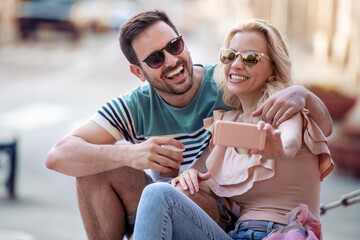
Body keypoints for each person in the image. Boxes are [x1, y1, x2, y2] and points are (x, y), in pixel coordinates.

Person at [45, 10, 333, 240]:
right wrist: (132, 155)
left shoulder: (229, 87)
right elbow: (58, 155)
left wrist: (303, 95)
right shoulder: (139, 106)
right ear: (138, 72)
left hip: (223, 216)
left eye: (174, 46)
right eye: (156, 58)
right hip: (182, 200)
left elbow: (315, 132)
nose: (172, 60)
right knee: (94, 170)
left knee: (161, 194)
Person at [132, 19, 334, 240]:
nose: (236, 65)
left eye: (250, 58)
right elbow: (202, 177)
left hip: (280, 233)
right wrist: (189, 174)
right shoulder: (227, 123)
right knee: (158, 194)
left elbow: (290, 142)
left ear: (272, 68)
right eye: (229, 56)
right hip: (235, 235)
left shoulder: (285, 111)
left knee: (157, 193)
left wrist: (276, 146)